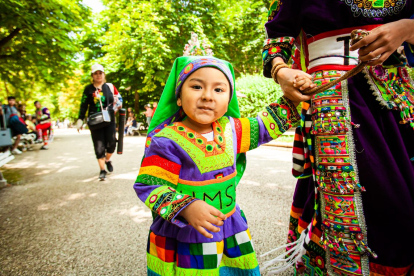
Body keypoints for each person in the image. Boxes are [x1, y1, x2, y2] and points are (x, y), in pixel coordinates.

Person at [261, 2, 414, 276]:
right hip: (336, 103)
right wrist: (280, 71)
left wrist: (407, 28)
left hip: (401, 102)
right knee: (377, 210)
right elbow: (277, 38)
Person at [133, 55, 304, 275]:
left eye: (219, 90)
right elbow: (149, 185)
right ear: (178, 97)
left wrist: (292, 98)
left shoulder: (232, 130)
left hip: (230, 227)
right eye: (196, 86)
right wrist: (186, 207)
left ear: (229, 100)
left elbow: (264, 126)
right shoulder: (166, 140)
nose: (207, 96)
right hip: (186, 233)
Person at [77, 64, 123, 181]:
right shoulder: (88, 89)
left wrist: (117, 107)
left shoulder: (110, 87)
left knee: (112, 144)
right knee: (99, 147)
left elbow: (119, 99)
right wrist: (80, 119)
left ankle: (107, 160)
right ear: (92, 75)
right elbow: (83, 105)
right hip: (95, 121)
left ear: (103, 74)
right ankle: (102, 170)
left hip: (109, 119)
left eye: (100, 73)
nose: (98, 75)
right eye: (95, 73)